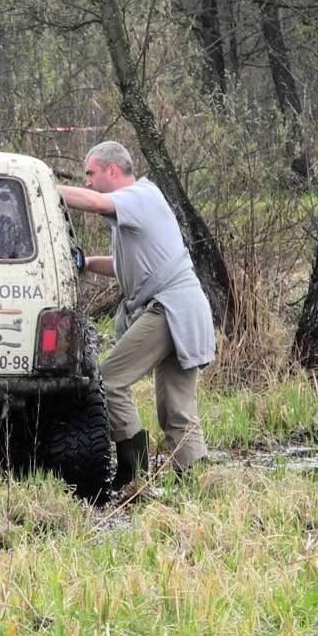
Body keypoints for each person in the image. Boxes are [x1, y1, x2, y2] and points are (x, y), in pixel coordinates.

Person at [57, 141, 215, 491]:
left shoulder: (140, 196)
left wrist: (43, 187)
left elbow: (96, 203)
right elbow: (125, 266)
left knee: (110, 380)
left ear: (112, 170)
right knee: (177, 408)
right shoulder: (138, 208)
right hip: (185, 310)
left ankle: (134, 475)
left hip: (170, 308)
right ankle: (196, 487)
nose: (87, 181)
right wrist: (87, 263)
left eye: (90, 173)